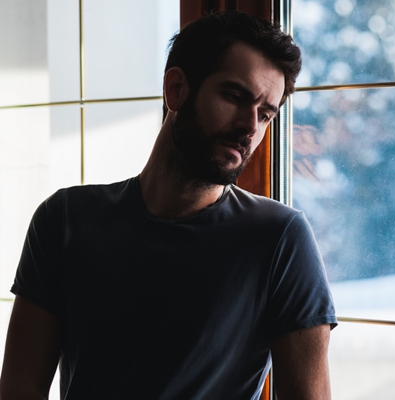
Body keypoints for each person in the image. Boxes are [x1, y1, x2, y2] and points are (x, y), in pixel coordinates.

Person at [0, 11, 336, 400]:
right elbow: (19, 388)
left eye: (265, 114)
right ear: (175, 89)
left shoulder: (279, 238)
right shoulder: (64, 218)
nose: (250, 127)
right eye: (234, 97)